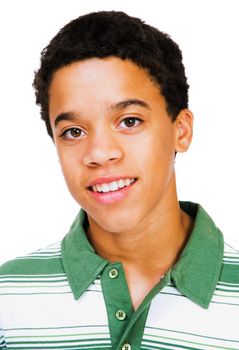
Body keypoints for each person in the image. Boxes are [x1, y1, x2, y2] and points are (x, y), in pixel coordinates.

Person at [0, 10, 238, 350]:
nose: (99, 153)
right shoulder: (9, 300)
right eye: (74, 131)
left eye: (129, 121)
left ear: (180, 131)